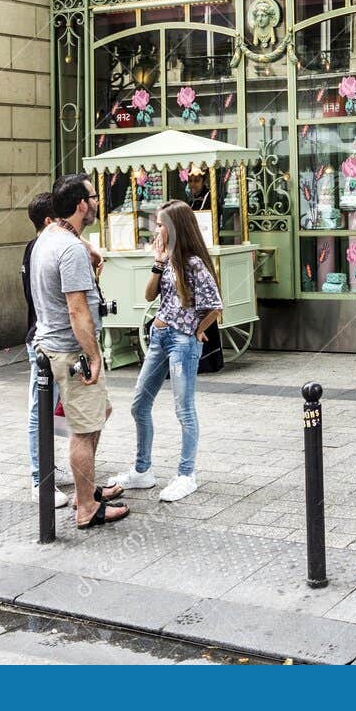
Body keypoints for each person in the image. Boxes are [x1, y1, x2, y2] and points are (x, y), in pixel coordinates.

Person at [31, 174, 130, 529]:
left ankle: (85, 490)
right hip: (72, 351)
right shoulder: (69, 249)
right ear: (80, 205)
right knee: (83, 431)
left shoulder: (49, 237)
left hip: (54, 345)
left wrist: (86, 247)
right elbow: (77, 310)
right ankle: (86, 506)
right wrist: (94, 356)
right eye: (93, 196)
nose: (98, 202)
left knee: (99, 412)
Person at [111, 201, 221, 503]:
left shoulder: (194, 263)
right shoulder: (168, 258)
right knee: (139, 404)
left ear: (174, 227)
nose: (156, 229)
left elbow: (216, 304)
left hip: (182, 341)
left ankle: (187, 475)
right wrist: (158, 263)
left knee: (183, 410)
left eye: (160, 224)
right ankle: (142, 470)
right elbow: (149, 294)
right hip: (159, 336)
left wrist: (199, 329)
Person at [21, 191, 71, 510]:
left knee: (55, 406)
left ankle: (50, 466)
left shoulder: (37, 247)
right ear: (50, 220)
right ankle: (41, 478)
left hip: (49, 339)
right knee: (40, 408)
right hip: (45, 342)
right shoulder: (41, 249)